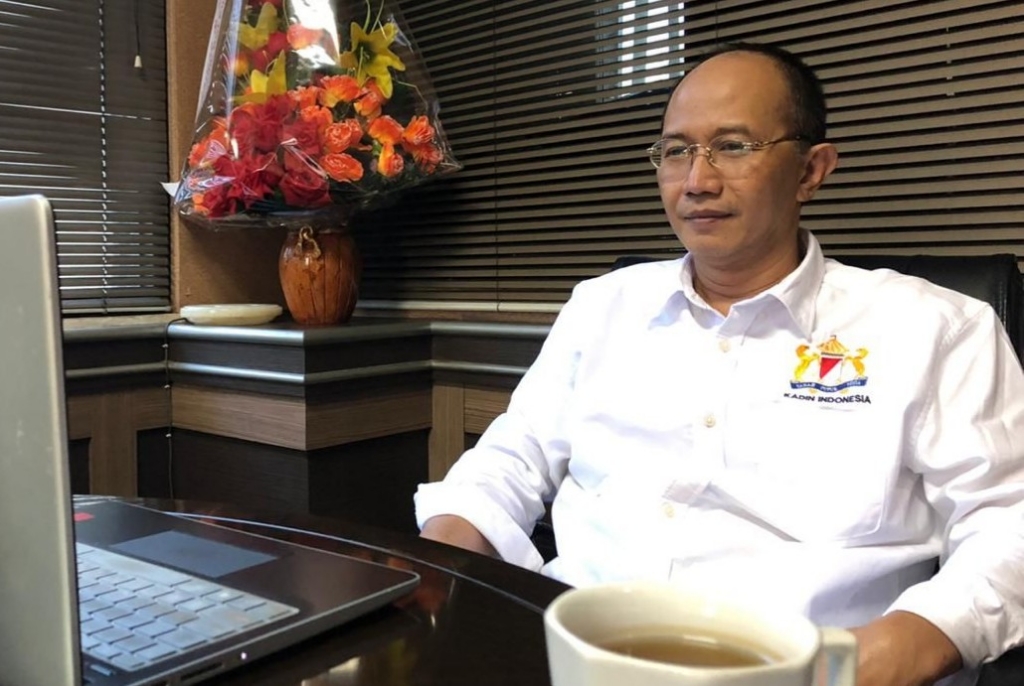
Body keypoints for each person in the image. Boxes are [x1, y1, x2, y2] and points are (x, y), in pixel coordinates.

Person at [414, 42, 1024, 686]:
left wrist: (903, 645)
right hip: (575, 653)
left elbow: (1009, 523)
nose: (697, 181)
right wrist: (439, 571)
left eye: (733, 146)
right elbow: (510, 460)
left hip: (810, 672)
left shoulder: (937, 329)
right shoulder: (603, 306)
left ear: (811, 170)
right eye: (677, 150)